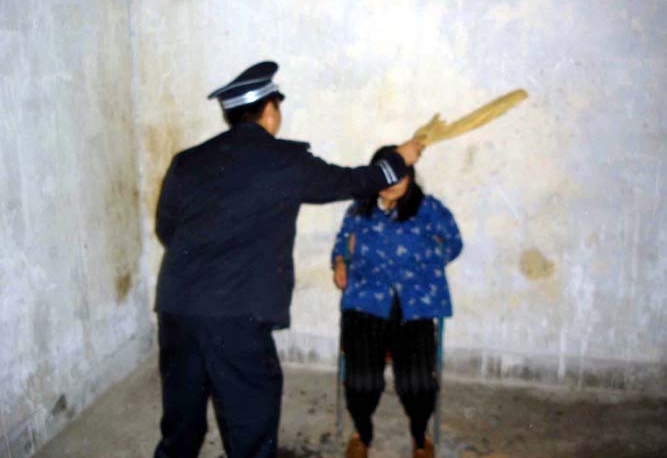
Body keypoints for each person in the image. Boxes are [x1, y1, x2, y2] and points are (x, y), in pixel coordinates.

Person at [153, 61, 423, 458]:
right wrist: (399, 160)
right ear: (269, 111)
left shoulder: (188, 160)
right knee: (250, 423)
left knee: (181, 422)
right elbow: (353, 181)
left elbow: (167, 231)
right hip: (237, 314)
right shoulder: (285, 161)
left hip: (177, 308)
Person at [331, 146, 463, 458]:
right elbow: (342, 246)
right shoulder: (359, 209)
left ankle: (420, 434)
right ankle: (361, 433)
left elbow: (454, 243)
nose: (391, 183)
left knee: (417, 381)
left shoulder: (428, 208)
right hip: (366, 301)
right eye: (385, 175)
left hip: (414, 304)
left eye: (399, 176)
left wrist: (426, 260)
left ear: (410, 176)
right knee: (362, 380)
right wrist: (340, 262)